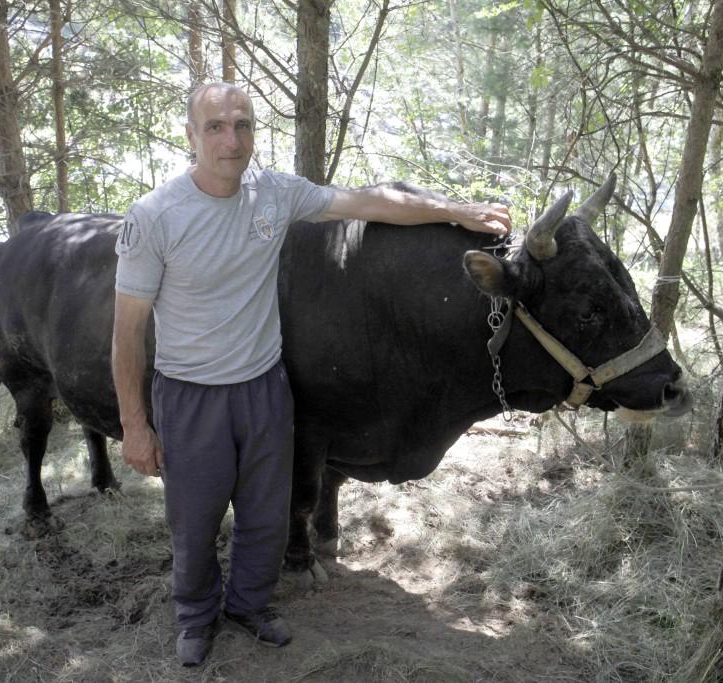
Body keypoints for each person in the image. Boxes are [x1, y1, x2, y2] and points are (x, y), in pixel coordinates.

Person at [112, 82, 511, 667]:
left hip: (264, 389)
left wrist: (455, 210)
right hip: (191, 395)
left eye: (243, 124)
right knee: (194, 522)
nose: (232, 139)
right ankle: (196, 617)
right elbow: (126, 333)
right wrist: (135, 424)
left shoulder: (272, 194)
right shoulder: (154, 217)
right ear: (191, 136)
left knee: (266, 515)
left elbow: (370, 203)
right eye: (216, 126)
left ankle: (249, 605)